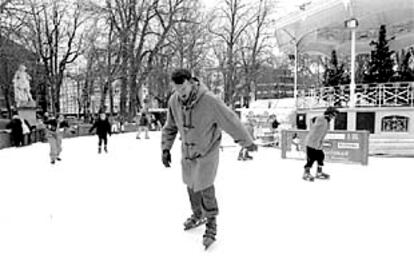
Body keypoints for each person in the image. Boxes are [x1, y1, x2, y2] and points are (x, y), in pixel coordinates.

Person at [161, 69, 258, 250]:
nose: (180, 93)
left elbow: (231, 121)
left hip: (207, 150)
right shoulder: (174, 101)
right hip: (188, 151)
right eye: (176, 89)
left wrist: (247, 142)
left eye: (182, 89)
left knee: (205, 186)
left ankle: (211, 222)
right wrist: (165, 148)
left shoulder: (209, 101)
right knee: (190, 185)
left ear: (191, 82)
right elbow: (170, 126)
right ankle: (197, 214)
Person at [303, 107, 339, 182]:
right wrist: (322, 117)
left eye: (335, 115)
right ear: (329, 114)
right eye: (333, 115)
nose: (334, 117)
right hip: (311, 142)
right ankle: (306, 173)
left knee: (321, 156)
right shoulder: (322, 118)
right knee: (311, 159)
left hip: (318, 143)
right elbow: (314, 119)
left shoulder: (327, 121)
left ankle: (319, 172)